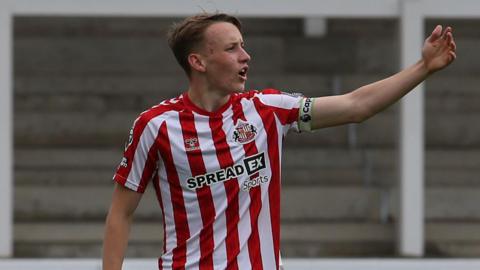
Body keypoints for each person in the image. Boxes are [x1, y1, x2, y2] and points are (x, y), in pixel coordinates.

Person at [102, 13, 456, 270]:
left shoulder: (265, 109)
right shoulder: (156, 126)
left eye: (243, 45)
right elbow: (121, 212)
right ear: (198, 61)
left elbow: (355, 106)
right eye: (231, 48)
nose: (246, 56)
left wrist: (422, 68)